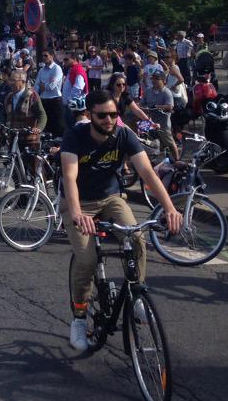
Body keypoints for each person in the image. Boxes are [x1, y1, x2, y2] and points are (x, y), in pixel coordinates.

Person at [60, 89, 181, 352]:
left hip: (110, 198)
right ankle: (79, 319)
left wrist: (170, 208)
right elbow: (69, 177)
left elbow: (147, 172)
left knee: (137, 238)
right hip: (79, 202)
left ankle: (137, 294)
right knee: (87, 259)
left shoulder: (124, 134)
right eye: (102, 115)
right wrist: (77, 213)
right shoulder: (75, 137)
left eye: (114, 114)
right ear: (90, 115)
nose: (109, 120)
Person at [142, 70, 179, 161]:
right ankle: (144, 160)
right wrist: (142, 107)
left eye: (157, 79)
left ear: (163, 81)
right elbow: (142, 103)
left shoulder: (167, 92)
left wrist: (158, 107)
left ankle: (177, 160)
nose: (154, 80)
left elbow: (170, 107)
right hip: (149, 121)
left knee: (169, 142)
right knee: (141, 139)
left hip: (163, 122)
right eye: (153, 78)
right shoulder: (148, 91)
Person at [35, 50, 64, 138]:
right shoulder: (41, 70)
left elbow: (51, 86)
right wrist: (41, 86)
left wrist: (42, 85)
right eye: (43, 56)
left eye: (46, 55)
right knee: (46, 126)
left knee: (57, 126)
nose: (44, 57)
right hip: (44, 100)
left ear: (52, 56)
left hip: (55, 100)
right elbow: (36, 85)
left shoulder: (57, 68)